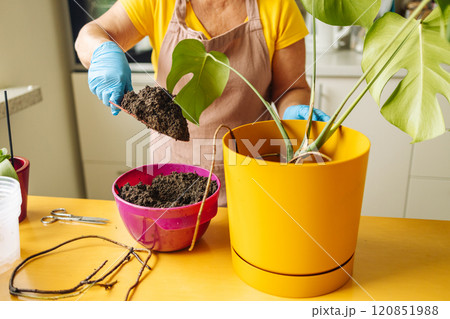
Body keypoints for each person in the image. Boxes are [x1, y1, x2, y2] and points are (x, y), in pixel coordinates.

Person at [75, 0, 330, 205]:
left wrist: (296, 113)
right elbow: (90, 34)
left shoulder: (278, 6)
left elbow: (291, 88)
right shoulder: (156, 3)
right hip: (172, 181)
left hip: (252, 175)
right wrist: (101, 51)